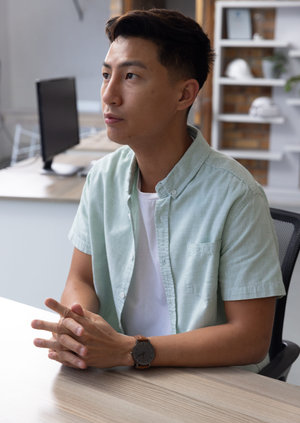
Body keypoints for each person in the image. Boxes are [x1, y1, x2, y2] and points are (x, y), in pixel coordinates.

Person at [32, 9, 285, 372]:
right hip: (116, 376)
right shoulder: (103, 178)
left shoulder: (237, 195)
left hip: (202, 386)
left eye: (130, 76)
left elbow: (250, 337)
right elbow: (80, 279)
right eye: (106, 75)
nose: (109, 95)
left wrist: (131, 350)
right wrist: (81, 327)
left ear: (184, 94)